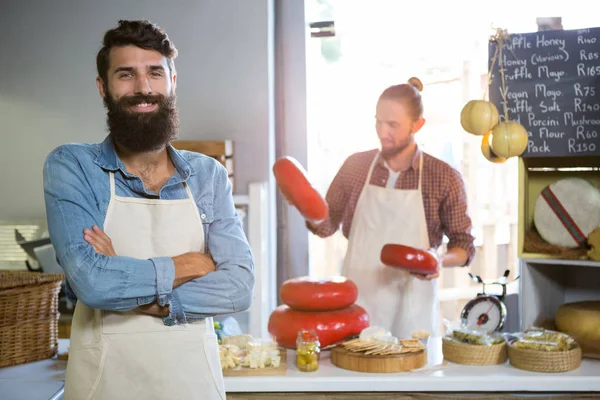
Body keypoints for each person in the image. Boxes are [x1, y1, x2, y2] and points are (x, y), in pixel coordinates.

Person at [43, 20, 254, 400]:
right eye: (126, 74)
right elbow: (92, 283)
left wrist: (137, 290)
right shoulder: (73, 165)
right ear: (102, 86)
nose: (143, 88)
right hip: (103, 387)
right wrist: (190, 264)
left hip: (194, 386)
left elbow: (238, 289)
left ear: (172, 80)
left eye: (155, 73)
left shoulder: (208, 175)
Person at [307, 77, 475, 339]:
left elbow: (463, 244)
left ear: (417, 125)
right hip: (357, 305)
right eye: (378, 121)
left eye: (393, 125)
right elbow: (326, 227)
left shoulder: (443, 177)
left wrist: (437, 260)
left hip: (413, 309)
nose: (382, 132)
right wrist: (307, 207)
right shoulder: (355, 167)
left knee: (410, 375)